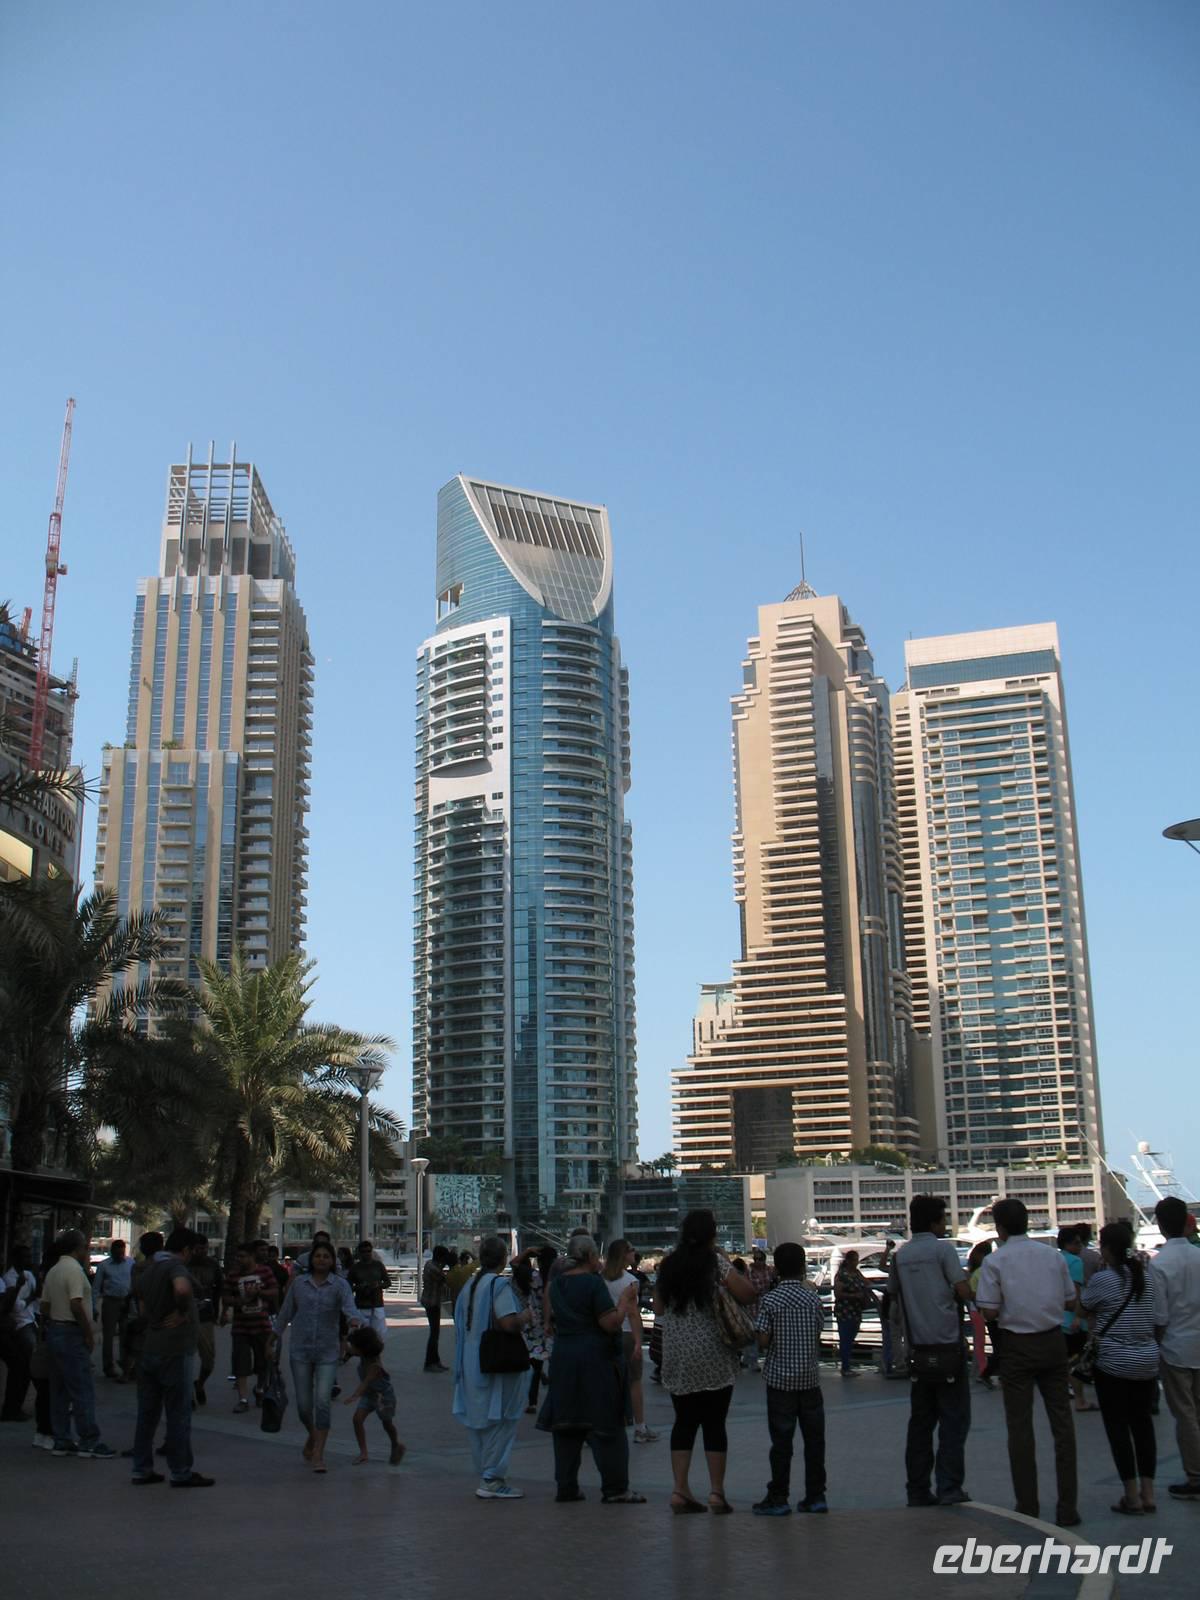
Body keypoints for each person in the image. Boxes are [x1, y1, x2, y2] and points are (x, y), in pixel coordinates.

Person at [975, 1197, 1079, 1526]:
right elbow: (1070, 1300)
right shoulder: (1052, 1256)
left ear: (1000, 1228)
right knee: (1062, 1425)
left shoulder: (995, 1262)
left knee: (1020, 1428)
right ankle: (1067, 1506)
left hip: (1016, 1346)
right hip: (1053, 1342)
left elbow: (989, 1311)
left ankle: (1028, 1505)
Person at [654, 1209, 757, 1514]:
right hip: (713, 1353)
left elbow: (658, 1308)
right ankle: (716, 1492)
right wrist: (726, 1266)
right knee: (714, 1423)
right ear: (712, 1234)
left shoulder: (669, 1265)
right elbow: (748, 1294)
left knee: (684, 1422)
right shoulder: (715, 1263)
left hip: (678, 1353)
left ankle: (679, 1490)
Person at [536, 1234, 644, 1504]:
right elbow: (610, 1323)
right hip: (595, 1360)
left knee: (567, 1426)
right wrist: (625, 1301)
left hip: (564, 1358)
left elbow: (551, 1315)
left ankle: (566, 1486)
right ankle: (616, 1488)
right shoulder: (592, 1284)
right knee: (606, 1425)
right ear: (590, 1256)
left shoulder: (558, 1284)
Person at [890, 1194, 974, 1507]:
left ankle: (917, 1489)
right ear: (934, 1221)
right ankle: (949, 1487)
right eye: (943, 1218)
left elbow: (893, 1293)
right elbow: (962, 1289)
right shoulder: (943, 1250)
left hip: (918, 1349)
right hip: (948, 1345)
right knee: (954, 1420)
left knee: (921, 1423)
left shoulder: (901, 1255)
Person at [1079, 1221, 1165, 1514]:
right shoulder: (1146, 1277)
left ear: (1105, 1249)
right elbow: (1158, 1318)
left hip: (1113, 1362)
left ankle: (1131, 1496)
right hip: (1147, 1361)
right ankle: (1149, 1493)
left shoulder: (1103, 1279)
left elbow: (1082, 1308)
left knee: (1118, 1427)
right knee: (1143, 1425)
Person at [131, 1226, 213, 1488]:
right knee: (178, 1412)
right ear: (186, 1250)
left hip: (150, 1348)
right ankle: (180, 1471)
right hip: (175, 1350)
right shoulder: (175, 1267)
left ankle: (141, 1469)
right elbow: (182, 1289)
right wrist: (182, 1311)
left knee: (147, 1413)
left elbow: (142, 1306)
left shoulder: (149, 1269)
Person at [272, 1238, 361, 1472]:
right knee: (303, 1406)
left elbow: (350, 1308)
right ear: (311, 1260)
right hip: (300, 1350)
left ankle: (319, 1453)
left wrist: (354, 1321)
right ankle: (313, 1435)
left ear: (333, 1261)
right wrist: (274, 1336)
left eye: (326, 1256)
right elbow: (286, 1312)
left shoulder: (340, 1285)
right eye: (318, 1256)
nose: (321, 1259)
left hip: (327, 1352)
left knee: (322, 1402)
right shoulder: (299, 1284)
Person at [452, 1236, 530, 1499]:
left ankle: (487, 1473)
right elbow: (508, 1322)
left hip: (470, 1360)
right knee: (502, 1417)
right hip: (496, 1361)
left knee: (479, 1421)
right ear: (503, 1258)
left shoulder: (470, 1285)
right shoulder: (498, 1285)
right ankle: (492, 1478)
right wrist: (525, 1316)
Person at [751, 1242, 827, 1516]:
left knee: (782, 1443)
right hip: (809, 1380)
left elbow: (762, 1340)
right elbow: (818, 1332)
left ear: (777, 1270)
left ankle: (779, 1497)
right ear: (803, 1267)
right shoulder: (813, 1299)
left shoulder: (771, 1300)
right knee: (814, 1442)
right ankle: (816, 1497)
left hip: (780, 1381)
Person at [40, 1228, 116, 1459]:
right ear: (78, 1248)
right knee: (82, 1389)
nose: (87, 1251)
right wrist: (87, 1333)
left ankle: (61, 1440)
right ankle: (89, 1440)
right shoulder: (74, 1271)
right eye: (86, 1247)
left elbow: (44, 1306)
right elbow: (76, 1304)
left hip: (55, 1330)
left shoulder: (54, 1270)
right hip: (71, 1333)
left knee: (59, 1390)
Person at [1151, 1195, 1200, 1500]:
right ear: (1186, 1222)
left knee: (1185, 1414)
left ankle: (1195, 1475)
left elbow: (1159, 1316)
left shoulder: (1159, 1264)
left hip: (1175, 1346)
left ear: (1160, 1225)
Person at [602, 1238, 657, 1443]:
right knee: (634, 1381)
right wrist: (638, 1341)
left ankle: (602, 1426)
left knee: (608, 1382)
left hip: (606, 1332)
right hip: (625, 1333)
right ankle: (640, 1427)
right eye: (631, 1250)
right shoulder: (630, 1281)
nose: (635, 1253)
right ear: (623, 1255)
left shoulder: (600, 1279)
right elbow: (633, 1313)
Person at [222, 1239, 278, 1413]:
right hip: (241, 1327)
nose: (239, 1259)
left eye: (243, 1256)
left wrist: (259, 1292)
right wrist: (240, 1301)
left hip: (262, 1325)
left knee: (264, 1362)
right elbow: (225, 1297)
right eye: (237, 1256)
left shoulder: (265, 1271)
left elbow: (274, 1291)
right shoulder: (233, 1275)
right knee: (241, 1363)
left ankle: (260, 1388)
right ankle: (243, 1399)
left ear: (252, 1256)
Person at [343, 1325, 405, 1465]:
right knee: (357, 1419)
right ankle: (363, 1452)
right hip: (369, 1395)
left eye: (355, 1346)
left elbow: (366, 1382)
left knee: (387, 1423)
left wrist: (355, 1395)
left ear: (362, 1348)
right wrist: (343, 1337)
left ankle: (396, 1444)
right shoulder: (363, 1354)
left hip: (384, 1397)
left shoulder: (374, 1366)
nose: (352, 1349)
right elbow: (348, 1349)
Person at [1, 1243, 38, 1422]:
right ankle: (12, 1408)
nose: (28, 1260)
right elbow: (11, 1307)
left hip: (26, 1322)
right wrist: (18, 1290)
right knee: (23, 1363)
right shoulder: (9, 1279)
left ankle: (14, 1407)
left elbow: (35, 1299)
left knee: (23, 1364)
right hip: (17, 1325)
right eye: (25, 1257)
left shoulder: (28, 1275)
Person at [1057, 1228, 1092, 1414]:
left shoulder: (1055, 1259)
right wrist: (1079, 1316)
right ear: (1067, 1244)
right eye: (1077, 1243)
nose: (1080, 1246)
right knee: (1076, 1361)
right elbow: (1076, 1290)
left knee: (1064, 1361)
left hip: (1057, 1317)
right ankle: (1080, 1399)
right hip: (1072, 1318)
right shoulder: (1075, 1261)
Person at [509, 1252, 549, 1412]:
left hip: (519, 1321)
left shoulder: (513, 1282)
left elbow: (513, 1263)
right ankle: (532, 1401)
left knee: (521, 1360)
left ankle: (517, 1396)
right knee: (537, 1363)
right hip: (538, 1324)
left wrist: (527, 1251)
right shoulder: (540, 1278)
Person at [186, 1236, 223, 1407]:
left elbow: (219, 1289)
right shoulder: (184, 1264)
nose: (202, 1252)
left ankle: (200, 1383)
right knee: (186, 1357)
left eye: (205, 1248)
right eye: (199, 1248)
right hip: (186, 1316)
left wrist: (218, 1310)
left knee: (209, 1359)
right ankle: (188, 1394)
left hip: (206, 1316)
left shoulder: (212, 1265)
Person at [125, 1231, 164, 1384]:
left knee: (135, 1344)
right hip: (161, 1313)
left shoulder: (138, 1268)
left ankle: (131, 1371)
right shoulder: (165, 1267)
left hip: (140, 1311)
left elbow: (136, 1290)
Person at [91, 1239, 133, 1382]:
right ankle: (108, 1367)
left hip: (126, 1301)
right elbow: (96, 1287)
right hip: (110, 1301)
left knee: (126, 1335)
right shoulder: (104, 1265)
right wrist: (93, 1307)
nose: (120, 1255)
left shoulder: (130, 1263)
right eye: (117, 1253)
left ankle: (125, 1366)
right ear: (112, 1252)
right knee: (108, 1336)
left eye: (122, 1253)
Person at [833, 1249, 876, 1377]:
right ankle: (845, 1367)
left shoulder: (857, 1273)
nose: (856, 1262)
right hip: (845, 1311)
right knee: (845, 1339)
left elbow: (867, 1283)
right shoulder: (841, 1275)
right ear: (848, 1261)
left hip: (856, 1310)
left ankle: (847, 1366)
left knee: (850, 1338)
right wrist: (855, 1296)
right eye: (854, 1260)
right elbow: (838, 1293)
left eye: (857, 1260)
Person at [347, 1240, 392, 1342]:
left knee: (379, 1335)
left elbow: (388, 1282)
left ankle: (377, 1351)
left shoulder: (378, 1265)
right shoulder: (355, 1268)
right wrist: (359, 1287)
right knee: (363, 1337)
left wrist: (378, 1285)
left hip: (377, 1304)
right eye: (363, 1251)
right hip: (361, 1305)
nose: (366, 1254)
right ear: (359, 1253)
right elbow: (348, 1287)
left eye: (368, 1251)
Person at [965, 1241, 994, 1387]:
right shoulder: (984, 1271)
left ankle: (977, 1371)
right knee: (981, 1343)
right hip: (981, 1310)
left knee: (979, 1342)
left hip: (975, 1310)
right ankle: (981, 1371)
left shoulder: (974, 1272)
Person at [420, 1245, 452, 1372]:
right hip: (432, 1302)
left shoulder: (429, 1264)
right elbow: (446, 1280)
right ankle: (429, 1363)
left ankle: (435, 1360)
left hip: (432, 1301)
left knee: (435, 1333)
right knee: (434, 1333)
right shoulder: (434, 1269)